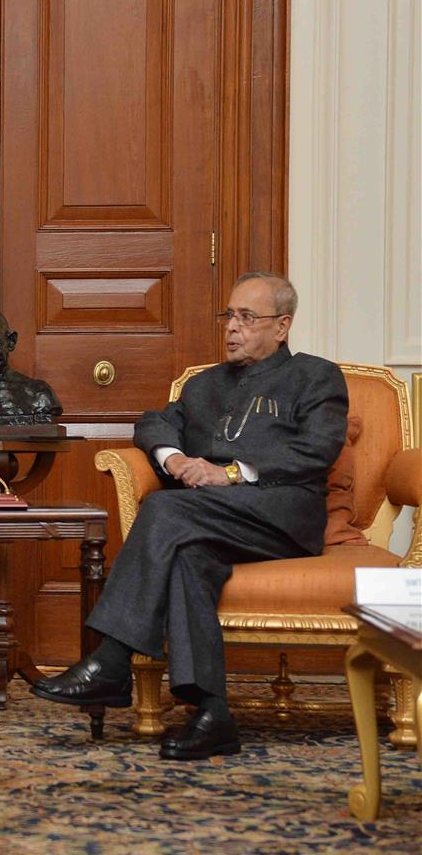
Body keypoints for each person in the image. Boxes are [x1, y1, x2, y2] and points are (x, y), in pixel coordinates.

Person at [31, 272, 348, 760]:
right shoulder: (204, 384)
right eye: (229, 315)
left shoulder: (315, 375)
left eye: (248, 317)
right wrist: (172, 459)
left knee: (162, 509)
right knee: (187, 559)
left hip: (281, 516)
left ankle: (112, 661)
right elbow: (153, 422)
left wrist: (234, 473)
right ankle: (212, 713)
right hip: (207, 520)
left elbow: (317, 449)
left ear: (282, 326)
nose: (232, 328)